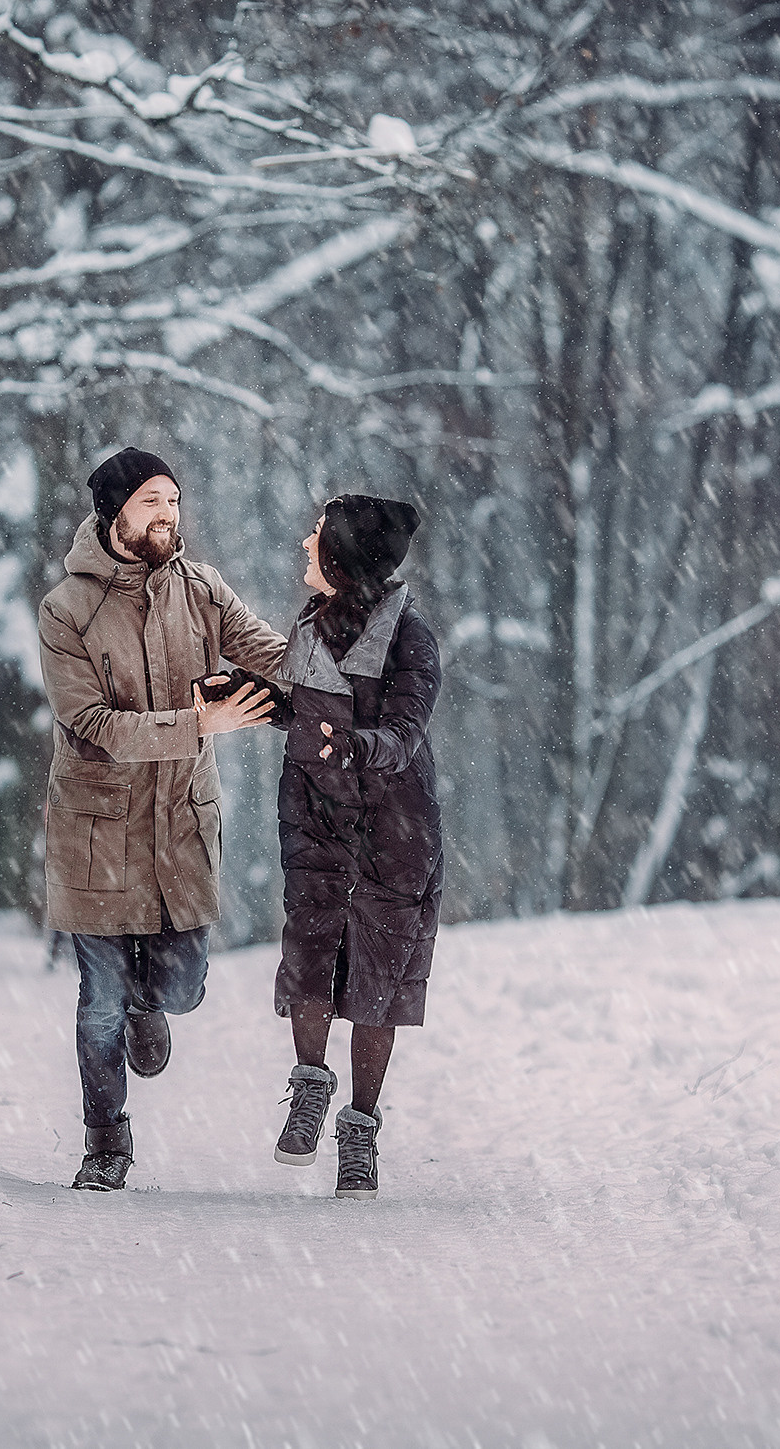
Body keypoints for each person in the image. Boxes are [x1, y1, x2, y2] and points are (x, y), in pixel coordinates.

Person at [38, 447, 288, 1192]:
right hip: (97, 831)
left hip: (180, 825)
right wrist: (198, 723)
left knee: (181, 986)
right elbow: (92, 723)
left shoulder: (203, 589)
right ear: (115, 511)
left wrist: (347, 662)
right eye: (153, 502)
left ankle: (157, 1001)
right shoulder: (66, 609)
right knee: (98, 1005)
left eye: (175, 502)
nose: (169, 516)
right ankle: (106, 1142)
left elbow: (270, 651)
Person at [269, 495, 442, 1199]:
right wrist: (252, 698)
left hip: (394, 831)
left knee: (377, 978)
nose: (305, 542)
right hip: (314, 819)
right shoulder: (308, 626)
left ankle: (360, 1129)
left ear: (344, 558)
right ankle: (311, 1084)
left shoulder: (410, 639)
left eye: (317, 536)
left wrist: (354, 746)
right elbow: (299, 710)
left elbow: (405, 734)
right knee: (310, 956)